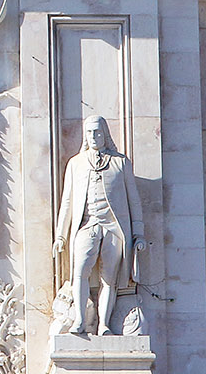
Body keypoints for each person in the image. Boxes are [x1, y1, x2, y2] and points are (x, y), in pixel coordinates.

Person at [51, 115, 146, 336]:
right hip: (87, 226)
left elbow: (134, 201)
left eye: (97, 132)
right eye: (89, 132)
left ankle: (104, 324)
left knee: (109, 279)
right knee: (80, 272)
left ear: (105, 133)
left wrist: (139, 233)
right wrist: (61, 235)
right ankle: (80, 321)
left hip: (113, 228)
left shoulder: (120, 162)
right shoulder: (76, 163)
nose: (93, 136)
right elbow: (67, 202)